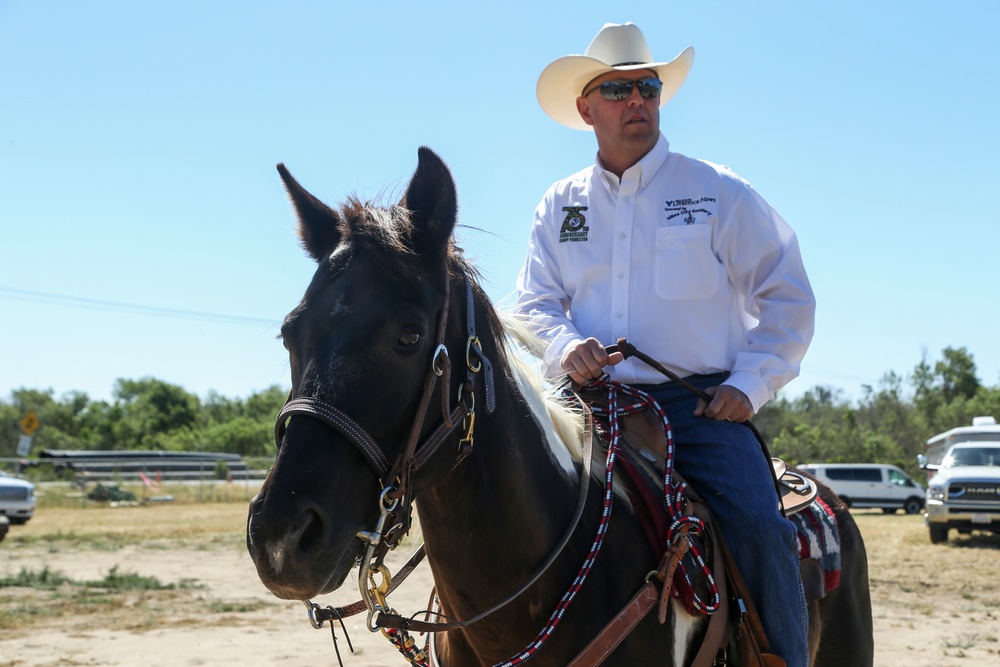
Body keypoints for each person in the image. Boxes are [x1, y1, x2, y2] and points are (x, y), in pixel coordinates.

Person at [515, 22, 815, 667]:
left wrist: (750, 385)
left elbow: (788, 295)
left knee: (762, 529)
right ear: (584, 108)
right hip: (586, 407)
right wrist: (566, 347)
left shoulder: (716, 191)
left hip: (696, 408)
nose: (637, 102)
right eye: (618, 89)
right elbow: (536, 304)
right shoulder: (558, 204)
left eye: (647, 87)